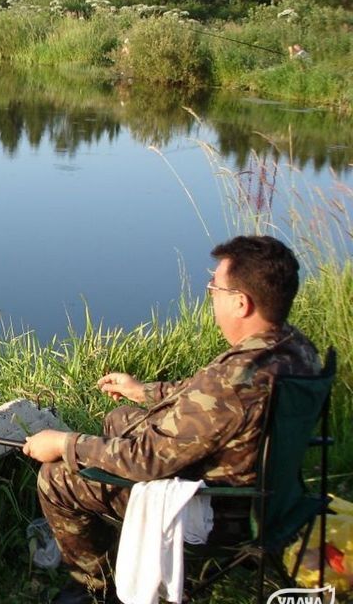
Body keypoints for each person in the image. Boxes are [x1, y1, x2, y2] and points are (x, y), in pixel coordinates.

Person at [21, 235, 321, 604]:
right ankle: (117, 541)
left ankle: (94, 588)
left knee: (58, 479)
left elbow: (144, 461)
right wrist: (144, 392)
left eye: (215, 287)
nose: (210, 294)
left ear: (241, 303)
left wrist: (64, 443)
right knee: (120, 419)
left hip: (220, 510)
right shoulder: (296, 349)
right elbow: (204, 399)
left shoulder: (233, 382)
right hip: (273, 496)